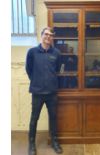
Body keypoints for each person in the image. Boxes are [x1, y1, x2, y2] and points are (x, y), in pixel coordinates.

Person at [25, 27, 63, 155]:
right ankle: (31, 144)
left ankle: (54, 142)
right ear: (41, 36)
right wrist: (36, 80)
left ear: (52, 38)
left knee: (53, 117)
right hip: (37, 92)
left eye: (51, 35)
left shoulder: (56, 53)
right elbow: (28, 69)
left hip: (52, 92)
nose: (48, 37)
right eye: (46, 34)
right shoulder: (32, 52)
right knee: (34, 118)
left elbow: (57, 69)